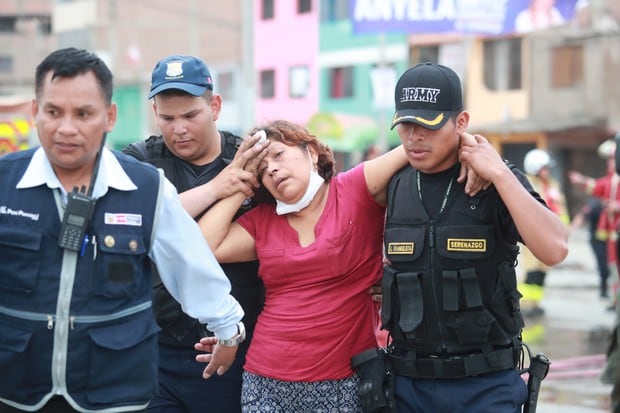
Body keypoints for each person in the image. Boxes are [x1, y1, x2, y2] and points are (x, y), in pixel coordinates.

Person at [0, 47, 245, 413]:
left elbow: (189, 264)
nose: (67, 127)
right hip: (17, 389)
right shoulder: (4, 181)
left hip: (113, 391)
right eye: (54, 112)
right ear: (36, 112)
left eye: (83, 113)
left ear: (109, 116)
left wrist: (228, 328)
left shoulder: (145, 187)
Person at [193, 119, 486, 412]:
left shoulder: (353, 188)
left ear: (311, 153)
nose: (271, 168)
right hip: (266, 378)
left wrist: (469, 145)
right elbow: (204, 246)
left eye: (279, 155)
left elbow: (416, 149)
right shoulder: (262, 220)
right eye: (262, 168)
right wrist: (239, 180)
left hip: (345, 380)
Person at [381, 62, 569, 413]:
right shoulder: (394, 184)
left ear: (461, 122)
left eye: (428, 125)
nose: (414, 136)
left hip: (485, 386)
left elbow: (555, 249)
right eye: (406, 124)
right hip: (409, 385)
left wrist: (498, 172)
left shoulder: (496, 180)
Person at [122, 55, 264, 413]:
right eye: (167, 118)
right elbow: (141, 220)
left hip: (236, 350)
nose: (179, 129)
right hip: (155, 350)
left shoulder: (250, 159)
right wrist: (219, 188)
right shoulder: (139, 163)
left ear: (214, 106)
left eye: (190, 116)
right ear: (155, 112)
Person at [519, 148, 570, 316]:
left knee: (542, 272)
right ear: (535, 168)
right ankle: (525, 304)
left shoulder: (553, 185)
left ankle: (535, 303)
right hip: (533, 234)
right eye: (545, 167)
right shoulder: (527, 184)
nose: (548, 171)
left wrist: (564, 229)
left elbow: (560, 209)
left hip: (551, 235)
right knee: (532, 271)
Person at [569, 139, 620, 304]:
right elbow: (597, 187)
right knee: (613, 267)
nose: (610, 163)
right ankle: (615, 300)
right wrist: (581, 180)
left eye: (612, 159)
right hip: (613, 234)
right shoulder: (611, 180)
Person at [571, 197, 609, 298]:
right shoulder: (595, 204)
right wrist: (571, 230)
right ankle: (603, 290)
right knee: (603, 265)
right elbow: (582, 216)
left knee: (610, 266)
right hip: (597, 240)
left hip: (610, 239)